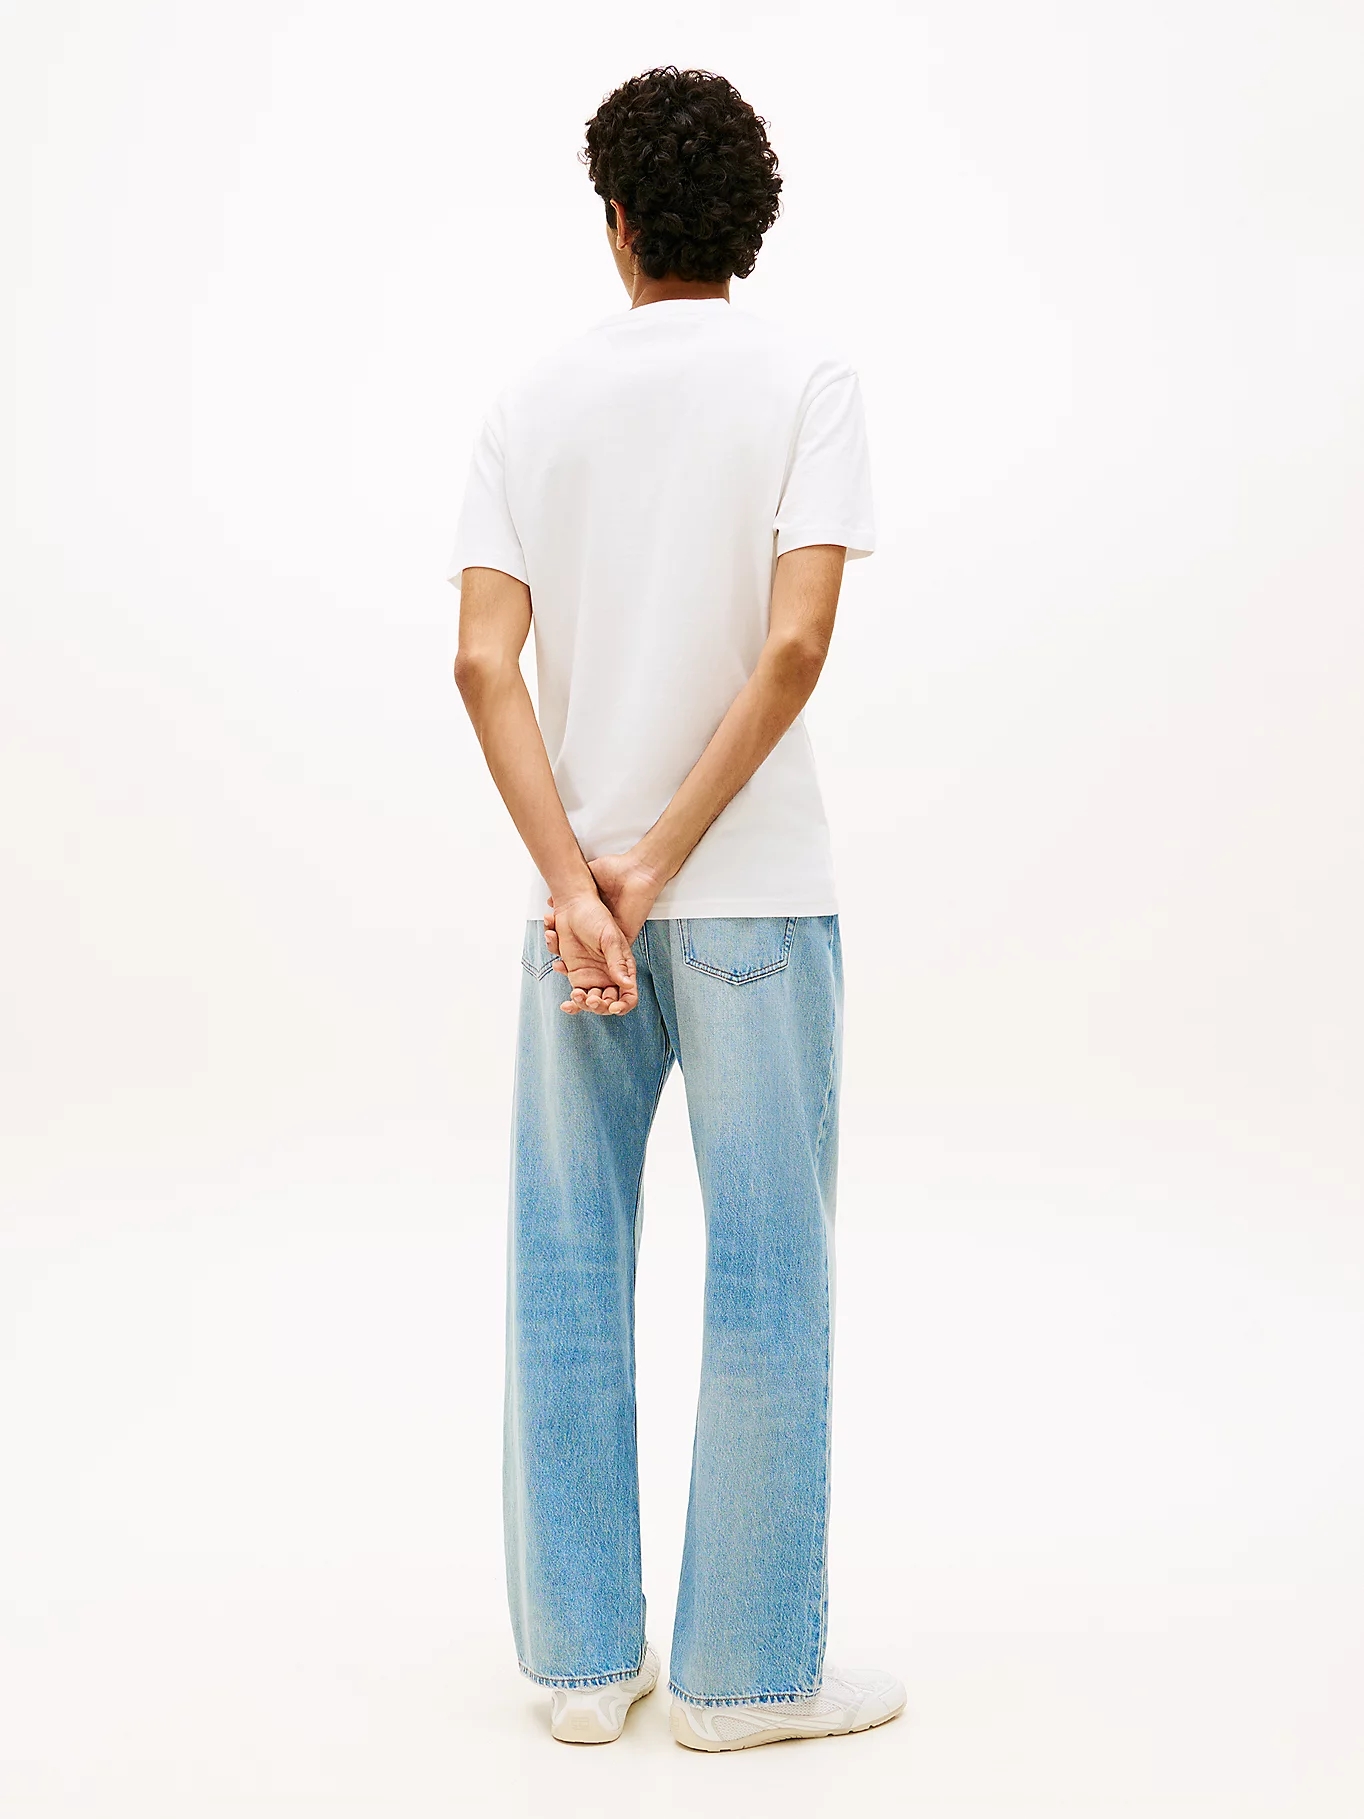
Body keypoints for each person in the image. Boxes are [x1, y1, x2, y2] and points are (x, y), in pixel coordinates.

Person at [448, 65, 904, 1752]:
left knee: (567, 1260)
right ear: (750, 226)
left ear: (618, 221)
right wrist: (663, 865)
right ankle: (745, 1680)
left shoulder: (531, 402)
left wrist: (586, 883)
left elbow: (482, 662)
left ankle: (583, 1667)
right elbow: (796, 645)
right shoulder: (809, 384)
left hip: (577, 923)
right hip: (758, 899)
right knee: (771, 1274)